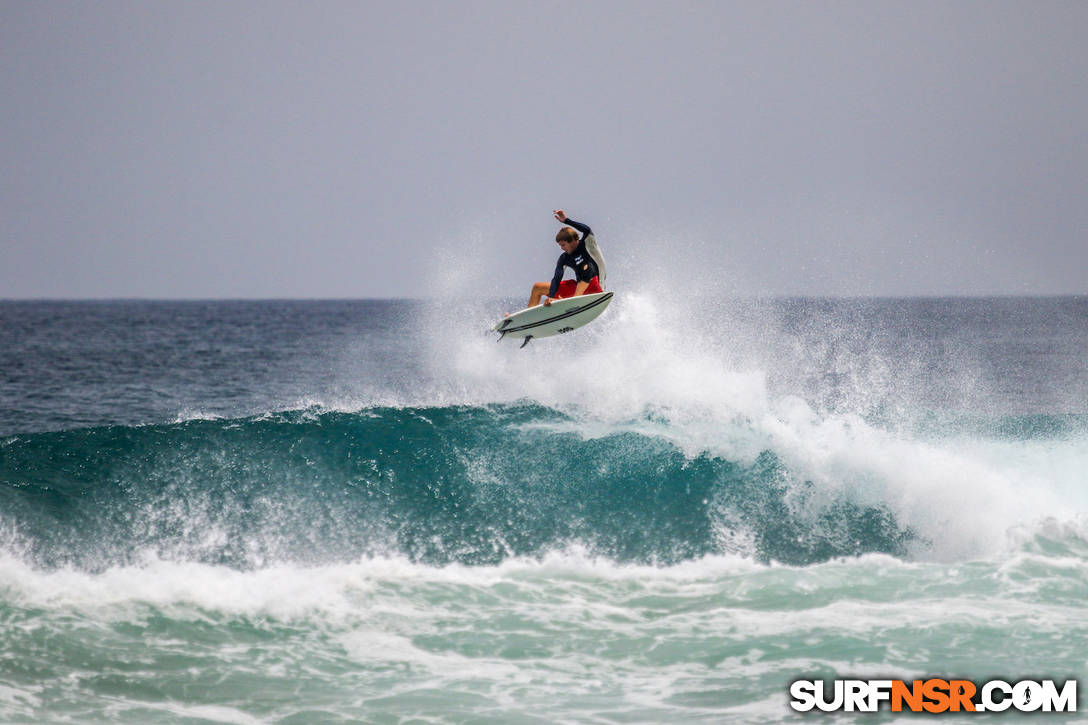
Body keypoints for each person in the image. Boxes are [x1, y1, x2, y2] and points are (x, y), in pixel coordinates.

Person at [525, 210, 607, 308]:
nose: (562, 248)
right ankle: (529, 319)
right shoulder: (564, 258)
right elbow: (557, 278)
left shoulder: (587, 244)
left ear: (572, 241)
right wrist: (551, 297)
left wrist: (566, 221)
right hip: (579, 291)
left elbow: (587, 230)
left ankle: (573, 301)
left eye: (563, 245)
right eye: (560, 245)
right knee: (537, 287)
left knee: (586, 267)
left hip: (596, 289)